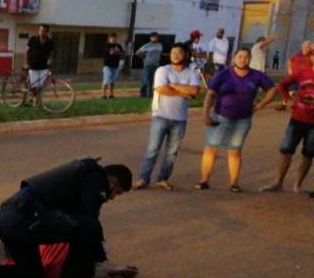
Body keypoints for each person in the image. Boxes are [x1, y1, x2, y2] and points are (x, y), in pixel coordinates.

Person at [0, 158, 133, 278]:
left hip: (11, 220)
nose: (111, 198)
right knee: (88, 228)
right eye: (116, 193)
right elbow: (90, 223)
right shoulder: (96, 179)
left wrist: (108, 266)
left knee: (32, 274)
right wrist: (101, 261)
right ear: (113, 182)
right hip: (25, 221)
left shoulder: (81, 174)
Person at [195, 48, 275, 193]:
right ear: (234, 58)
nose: (242, 60)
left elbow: (272, 90)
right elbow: (210, 94)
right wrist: (205, 114)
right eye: (240, 56)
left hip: (242, 120)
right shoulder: (223, 74)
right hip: (220, 116)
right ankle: (204, 180)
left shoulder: (256, 75)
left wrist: (260, 105)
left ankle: (234, 183)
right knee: (211, 148)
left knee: (235, 151)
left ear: (250, 59)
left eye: (246, 57)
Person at [132, 44, 200, 191]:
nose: (175, 55)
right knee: (152, 149)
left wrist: (174, 85)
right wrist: (184, 92)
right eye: (173, 52)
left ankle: (162, 179)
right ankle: (143, 178)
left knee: (171, 153)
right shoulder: (163, 70)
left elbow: (195, 91)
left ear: (186, 55)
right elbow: (162, 89)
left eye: (179, 52)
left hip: (180, 119)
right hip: (160, 116)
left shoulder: (192, 73)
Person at [255, 49, 314, 193]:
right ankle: (278, 182)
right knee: (286, 150)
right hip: (298, 118)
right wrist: (288, 99)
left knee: (308, 154)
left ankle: (297, 185)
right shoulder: (302, 73)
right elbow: (282, 85)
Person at [26, 24, 54, 94]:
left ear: (47, 32)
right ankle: (33, 96)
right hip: (33, 66)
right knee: (34, 87)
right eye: (40, 30)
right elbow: (28, 51)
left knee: (41, 87)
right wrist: (27, 62)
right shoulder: (33, 39)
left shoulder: (50, 42)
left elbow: (51, 53)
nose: (41, 32)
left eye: (43, 31)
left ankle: (37, 99)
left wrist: (50, 59)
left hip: (43, 66)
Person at [136, 32, 163, 98]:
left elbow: (160, 53)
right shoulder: (147, 45)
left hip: (156, 65)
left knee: (152, 81)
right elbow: (137, 52)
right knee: (145, 80)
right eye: (154, 37)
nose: (155, 38)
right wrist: (143, 58)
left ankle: (150, 94)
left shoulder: (160, 45)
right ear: (151, 38)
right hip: (148, 65)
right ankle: (143, 94)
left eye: (156, 37)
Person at [102, 32, 124, 99]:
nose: (114, 39)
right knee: (106, 80)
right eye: (112, 38)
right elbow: (111, 53)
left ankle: (111, 95)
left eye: (115, 38)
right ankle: (104, 95)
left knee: (112, 81)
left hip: (115, 66)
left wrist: (118, 52)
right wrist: (117, 51)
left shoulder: (119, 46)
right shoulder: (107, 45)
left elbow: (123, 54)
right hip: (107, 66)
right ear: (110, 38)